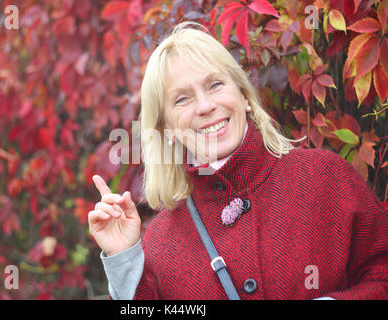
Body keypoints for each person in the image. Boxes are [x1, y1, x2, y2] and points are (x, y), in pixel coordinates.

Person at [88, 22, 387, 300]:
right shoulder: (160, 242)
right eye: (182, 99)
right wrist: (124, 260)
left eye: (215, 85)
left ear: (244, 96)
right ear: (167, 130)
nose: (206, 106)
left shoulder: (323, 177)